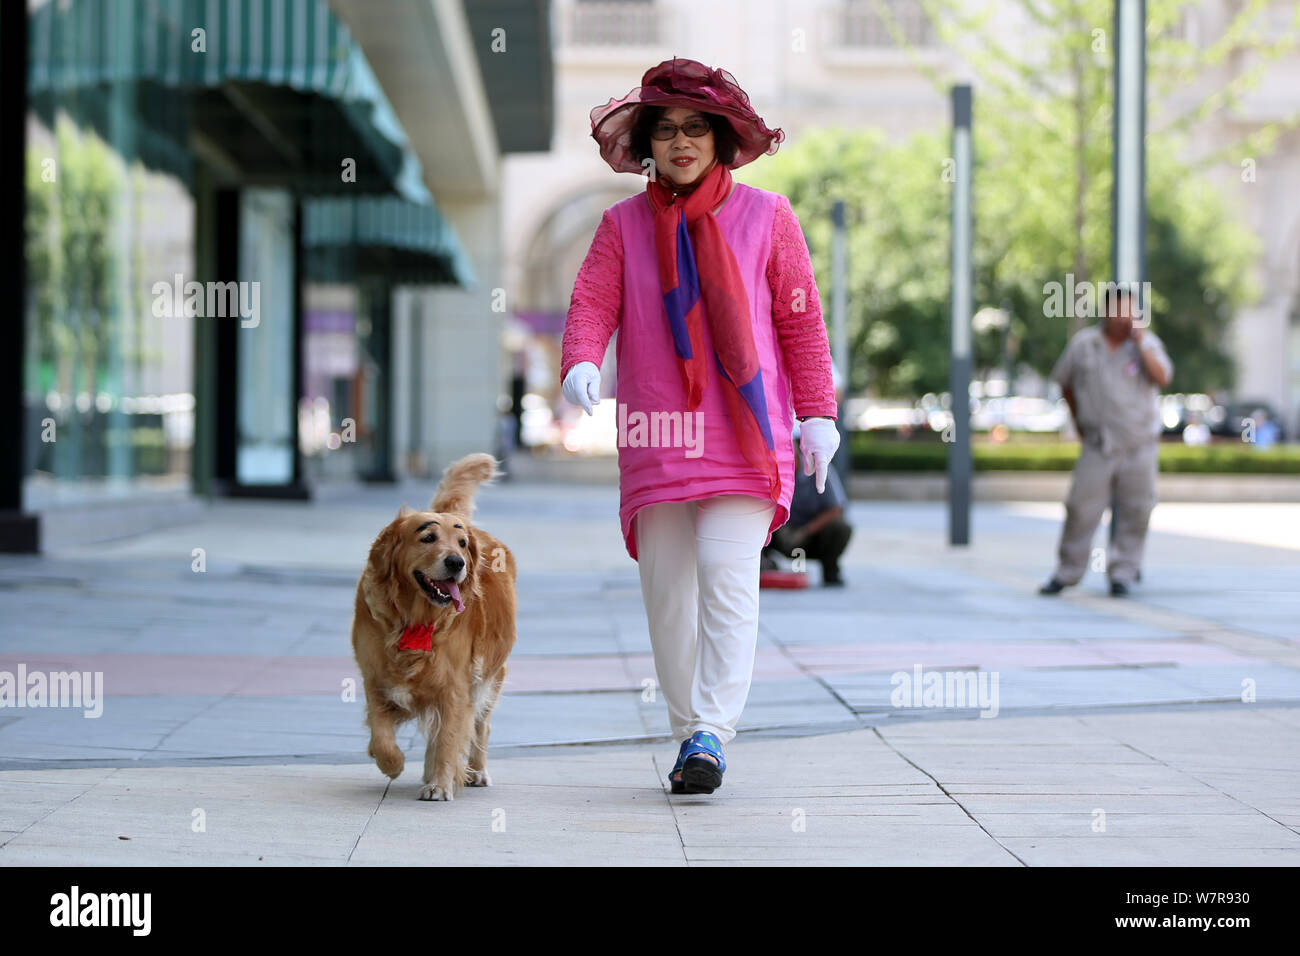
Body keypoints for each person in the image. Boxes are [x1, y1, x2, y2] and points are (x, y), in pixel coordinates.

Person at [560, 58, 839, 795]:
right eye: (666, 129)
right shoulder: (621, 226)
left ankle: (713, 729)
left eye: (694, 127)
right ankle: (689, 732)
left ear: (720, 137)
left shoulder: (770, 217)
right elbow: (592, 304)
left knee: (725, 574)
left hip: (745, 432)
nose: (681, 142)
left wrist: (817, 413)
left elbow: (800, 324)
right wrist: (581, 360)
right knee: (668, 592)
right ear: (648, 142)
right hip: (656, 431)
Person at [1039, 287, 1173, 597]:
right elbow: (1066, 384)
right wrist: (1079, 423)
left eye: (1129, 311)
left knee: (1136, 511)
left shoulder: (1147, 343)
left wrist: (1139, 343)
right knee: (1080, 509)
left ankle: (1123, 573)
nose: (1123, 318)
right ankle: (1067, 572)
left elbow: (1163, 378)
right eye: (1118, 311)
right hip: (1098, 444)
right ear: (1106, 311)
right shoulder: (1084, 345)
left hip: (1138, 444)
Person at [761, 419, 853, 585]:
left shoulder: (818, 468)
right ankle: (763, 563)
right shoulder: (769, 471)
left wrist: (806, 531)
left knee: (840, 527)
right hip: (778, 530)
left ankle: (830, 568)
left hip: (810, 534)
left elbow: (836, 509)